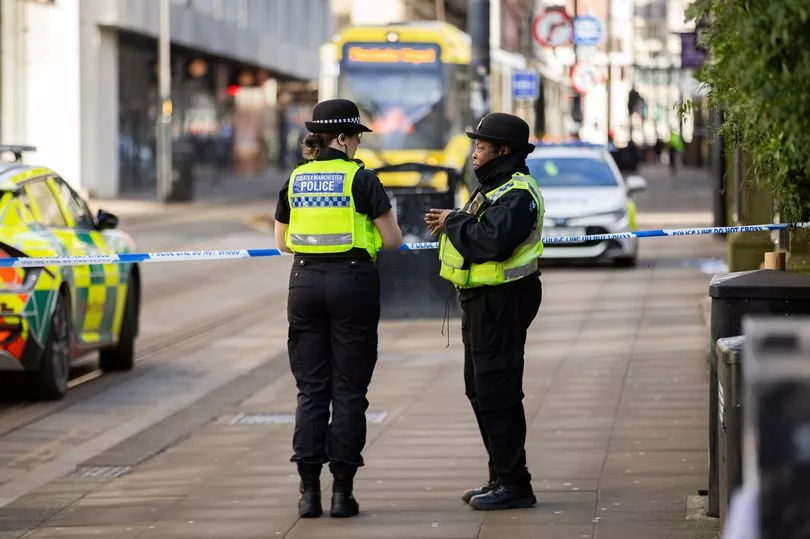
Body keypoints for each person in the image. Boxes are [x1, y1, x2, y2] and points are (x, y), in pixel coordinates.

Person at [274, 98, 403, 519]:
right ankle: (342, 495)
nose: (358, 146)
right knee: (349, 391)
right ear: (344, 138)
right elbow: (392, 240)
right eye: (357, 138)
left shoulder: (296, 178)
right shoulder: (361, 180)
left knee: (312, 391)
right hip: (352, 284)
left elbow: (282, 242)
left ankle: (308, 494)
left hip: (305, 283)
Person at [424, 112, 544, 511]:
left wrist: (453, 221)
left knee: (499, 391)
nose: (474, 154)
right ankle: (500, 475)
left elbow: (491, 242)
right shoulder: (495, 186)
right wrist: (453, 222)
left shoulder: (518, 193)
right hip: (480, 299)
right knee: (479, 389)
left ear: (503, 151)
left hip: (503, 301)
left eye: (481, 147)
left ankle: (515, 484)